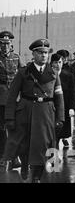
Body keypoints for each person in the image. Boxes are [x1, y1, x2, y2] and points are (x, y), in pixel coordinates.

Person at [3, 39, 64, 182]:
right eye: (41, 53)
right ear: (34, 54)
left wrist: (60, 117)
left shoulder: (54, 73)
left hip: (46, 113)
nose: (44, 56)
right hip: (26, 112)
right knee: (24, 144)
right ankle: (25, 166)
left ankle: (37, 176)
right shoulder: (24, 72)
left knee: (45, 145)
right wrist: (9, 118)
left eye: (46, 53)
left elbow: (59, 97)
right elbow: (12, 97)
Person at [0, 31, 22, 171]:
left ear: (11, 44)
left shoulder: (16, 57)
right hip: (1, 98)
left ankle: (14, 156)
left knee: (14, 128)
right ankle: (3, 155)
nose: (5, 46)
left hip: (14, 98)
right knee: (2, 129)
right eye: (2, 44)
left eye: (7, 43)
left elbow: (23, 73)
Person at [50, 53, 75, 149]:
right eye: (55, 62)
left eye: (60, 62)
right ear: (51, 63)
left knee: (60, 131)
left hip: (64, 107)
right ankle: (54, 156)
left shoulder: (68, 76)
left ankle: (55, 153)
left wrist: (72, 108)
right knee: (52, 133)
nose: (57, 65)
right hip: (51, 107)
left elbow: (73, 93)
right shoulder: (48, 75)